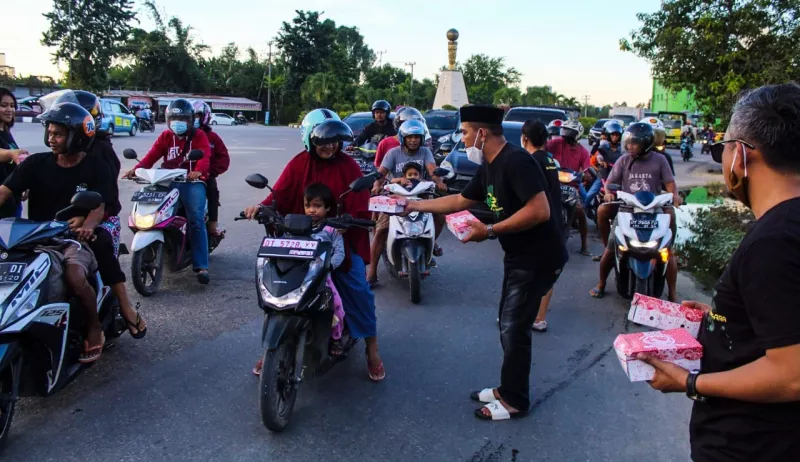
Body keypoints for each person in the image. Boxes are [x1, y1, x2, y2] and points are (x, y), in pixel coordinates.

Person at [639, 83, 800, 462]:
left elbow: (793, 375)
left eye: (721, 149)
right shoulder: (787, 227)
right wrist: (724, 318)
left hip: (753, 444)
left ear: (740, 155)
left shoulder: (775, 240)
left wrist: (689, 381)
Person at [402, 105, 566, 420]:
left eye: (464, 133)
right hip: (519, 255)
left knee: (514, 328)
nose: (462, 139)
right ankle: (508, 388)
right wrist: (413, 205)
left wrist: (489, 230)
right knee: (508, 323)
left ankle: (515, 400)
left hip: (539, 257)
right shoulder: (490, 164)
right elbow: (461, 200)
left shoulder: (516, 161)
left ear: (481, 133)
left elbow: (540, 211)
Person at [243, 110, 385, 381]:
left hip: (339, 242)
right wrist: (260, 208)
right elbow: (280, 194)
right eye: (323, 140)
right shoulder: (299, 164)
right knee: (278, 285)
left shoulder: (349, 166)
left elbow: (360, 202)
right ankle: (273, 346)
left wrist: (349, 221)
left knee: (358, 289)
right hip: (300, 241)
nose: (330, 146)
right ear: (310, 139)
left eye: (334, 140)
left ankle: (372, 350)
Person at [0, 102, 114, 362]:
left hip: (70, 240)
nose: (51, 139)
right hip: (31, 239)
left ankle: (93, 326)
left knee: (74, 275)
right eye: (49, 133)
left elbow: (98, 206)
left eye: (58, 134)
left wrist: (86, 226)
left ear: (77, 137)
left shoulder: (96, 166)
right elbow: (4, 192)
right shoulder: (36, 164)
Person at [53, 89, 147, 339]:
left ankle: (125, 308)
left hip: (100, 220)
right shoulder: (50, 156)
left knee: (100, 244)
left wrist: (87, 220)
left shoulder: (100, 152)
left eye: (63, 129)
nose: (55, 138)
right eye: (54, 130)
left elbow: (105, 199)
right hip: (57, 222)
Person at [122, 98, 212, 284]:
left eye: (182, 119)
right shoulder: (165, 136)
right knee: (146, 208)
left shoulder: (199, 136)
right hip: (166, 180)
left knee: (195, 219)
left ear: (190, 120)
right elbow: (151, 156)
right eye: (174, 119)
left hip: (190, 182)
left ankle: (201, 266)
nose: (177, 123)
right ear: (168, 119)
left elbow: (205, 157)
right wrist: (136, 170)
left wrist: (198, 171)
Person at [588, 122, 682, 301]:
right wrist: (608, 193)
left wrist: (675, 197)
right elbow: (610, 183)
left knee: (667, 250)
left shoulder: (660, 160)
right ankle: (601, 283)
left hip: (654, 209)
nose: (629, 146)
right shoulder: (624, 160)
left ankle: (672, 292)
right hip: (627, 209)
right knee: (611, 248)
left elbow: (670, 184)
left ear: (645, 143)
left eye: (634, 143)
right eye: (628, 143)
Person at [367, 119, 447, 286]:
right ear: (403, 138)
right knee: (381, 229)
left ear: (422, 138)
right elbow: (382, 173)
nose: (413, 140)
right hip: (395, 196)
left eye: (417, 137)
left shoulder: (425, 152)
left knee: (440, 216)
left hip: (421, 195)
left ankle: (432, 243)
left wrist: (439, 182)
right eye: (410, 137)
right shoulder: (393, 153)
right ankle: (372, 271)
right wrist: (376, 185)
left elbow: (432, 170)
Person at [520, 120, 568, 333]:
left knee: (527, 272)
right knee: (545, 274)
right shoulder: (550, 160)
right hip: (555, 224)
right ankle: (539, 318)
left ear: (525, 138)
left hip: (538, 226)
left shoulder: (530, 162)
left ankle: (521, 314)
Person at [546, 119, 591, 256]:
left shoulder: (583, 152)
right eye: (564, 130)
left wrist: (586, 175)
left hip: (572, 185)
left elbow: (587, 170)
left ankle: (584, 245)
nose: (565, 134)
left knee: (580, 211)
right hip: (554, 183)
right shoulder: (556, 143)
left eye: (569, 132)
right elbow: (543, 150)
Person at [192, 100, 230, 242]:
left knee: (212, 194)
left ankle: (212, 228)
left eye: (197, 116)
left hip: (205, 177)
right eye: (192, 116)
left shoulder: (213, 138)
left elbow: (224, 159)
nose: (194, 119)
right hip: (182, 177)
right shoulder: (183, 136)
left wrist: (210, 172)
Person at [0, 87, 26, 218]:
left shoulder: (5, 132)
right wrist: (11, 154)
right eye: (4, 105)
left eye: (12, 106)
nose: (9, 109)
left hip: (12, 201)